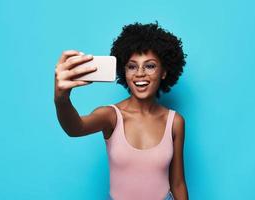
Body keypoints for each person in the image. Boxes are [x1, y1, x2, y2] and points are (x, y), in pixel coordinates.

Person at [54, 22, 188, 200]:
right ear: (123, 71)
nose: (140, 73)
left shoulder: (175, 122)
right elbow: (75, 128)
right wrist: (61, 99)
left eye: (150, 66)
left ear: (163, 72)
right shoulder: (111, 116)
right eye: (132, 66)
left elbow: (178, 183)